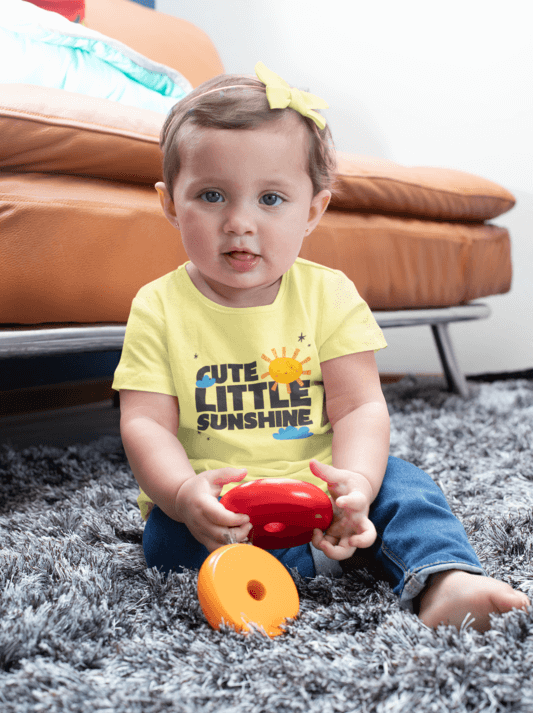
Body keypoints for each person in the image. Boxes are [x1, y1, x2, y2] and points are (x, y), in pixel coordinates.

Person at [112, 62, 529, 632]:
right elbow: (146, 425)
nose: (239, 222)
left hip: (324, 484)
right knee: (164, 537)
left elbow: (359, 407)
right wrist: (184, 494)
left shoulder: (329, 294)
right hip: (220, 498)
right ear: (169, 204)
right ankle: (288, 571)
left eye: (271, 199)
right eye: (211, 195)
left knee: (406, 486)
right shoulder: (157, 306)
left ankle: (444, 578)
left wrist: (355, 484)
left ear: (313, 210)